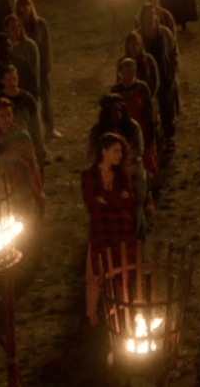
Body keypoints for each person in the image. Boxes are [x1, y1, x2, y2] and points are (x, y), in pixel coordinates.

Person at [83, 132, 139, 327]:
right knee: (96, 273)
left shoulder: (122, 176)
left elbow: (130, 201)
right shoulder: (89, 175)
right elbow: (93, 204)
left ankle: (122, 313)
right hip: (102, 229)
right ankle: (92, 317)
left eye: (121, 151)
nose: (120, 155)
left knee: (122, 271)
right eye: (115, 151)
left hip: (122, 230)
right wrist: (117, 199)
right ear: (104, 152)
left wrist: (107, 199)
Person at [0, 97, 45, 220]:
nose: (7, 119)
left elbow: (31, 163)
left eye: (9, 115)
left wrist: (36, 189)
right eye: (3, 116)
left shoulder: (21, 135)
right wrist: (4, 163)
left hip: (21, 187)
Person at [88, 93, 149, 213]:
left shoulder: (132, 127)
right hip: (108, 175)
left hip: (131, 171)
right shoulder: (98, 131)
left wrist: (124, 168)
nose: (117, 114)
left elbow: (138, 152)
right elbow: (92, 154)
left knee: (134, 208)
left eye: (119, 110)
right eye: (113, 111)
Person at [138, 5, 180, 159]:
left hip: (164, 75)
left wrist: (173, 69)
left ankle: (169, 137)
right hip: (147, 79)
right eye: (147, 15)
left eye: (153, 15)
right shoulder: (138, 36)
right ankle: (154, 139)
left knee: (167, 107)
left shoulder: (165, 34)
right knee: (149, 111)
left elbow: (173, 52)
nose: (151, 18)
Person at [13, 0, 55, 137]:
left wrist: (46, 68)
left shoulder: (40, 25)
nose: (24, 10)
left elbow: (46, 48)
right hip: (25, 72)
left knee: (45, 98)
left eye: (26, 6)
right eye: (21, 7)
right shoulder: (18, 28)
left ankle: (50, 127)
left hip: (41, 69)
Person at [112, 58, 160, 174]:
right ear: (120, 72)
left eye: (131, 71)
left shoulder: (142, 88)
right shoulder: (116, 91)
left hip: (143, 130)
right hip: (123, 131)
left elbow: (150, 110)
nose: (129, 74)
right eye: (126, 71)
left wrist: (152, 128)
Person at [0, 66, 45, 166]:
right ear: (2, 81)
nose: (12, 83)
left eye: (14, 79)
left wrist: (39, 148)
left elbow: (36, 126)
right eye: (8, 80)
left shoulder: (27, 99)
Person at [2, 15, 42, 102]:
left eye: (18, 26)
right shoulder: (5, 48)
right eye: (13, 27)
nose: (16, 30)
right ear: (6, 29)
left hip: (28, 88)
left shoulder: (30, 46)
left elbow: (34, 70)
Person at [123, 31, 162, 103]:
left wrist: (149, 97)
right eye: (132, 45)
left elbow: (156, 81)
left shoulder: (149, 60)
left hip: (147, 100)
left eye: (137, 44)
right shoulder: (123, 62)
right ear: (128, 46)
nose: (135, 47)